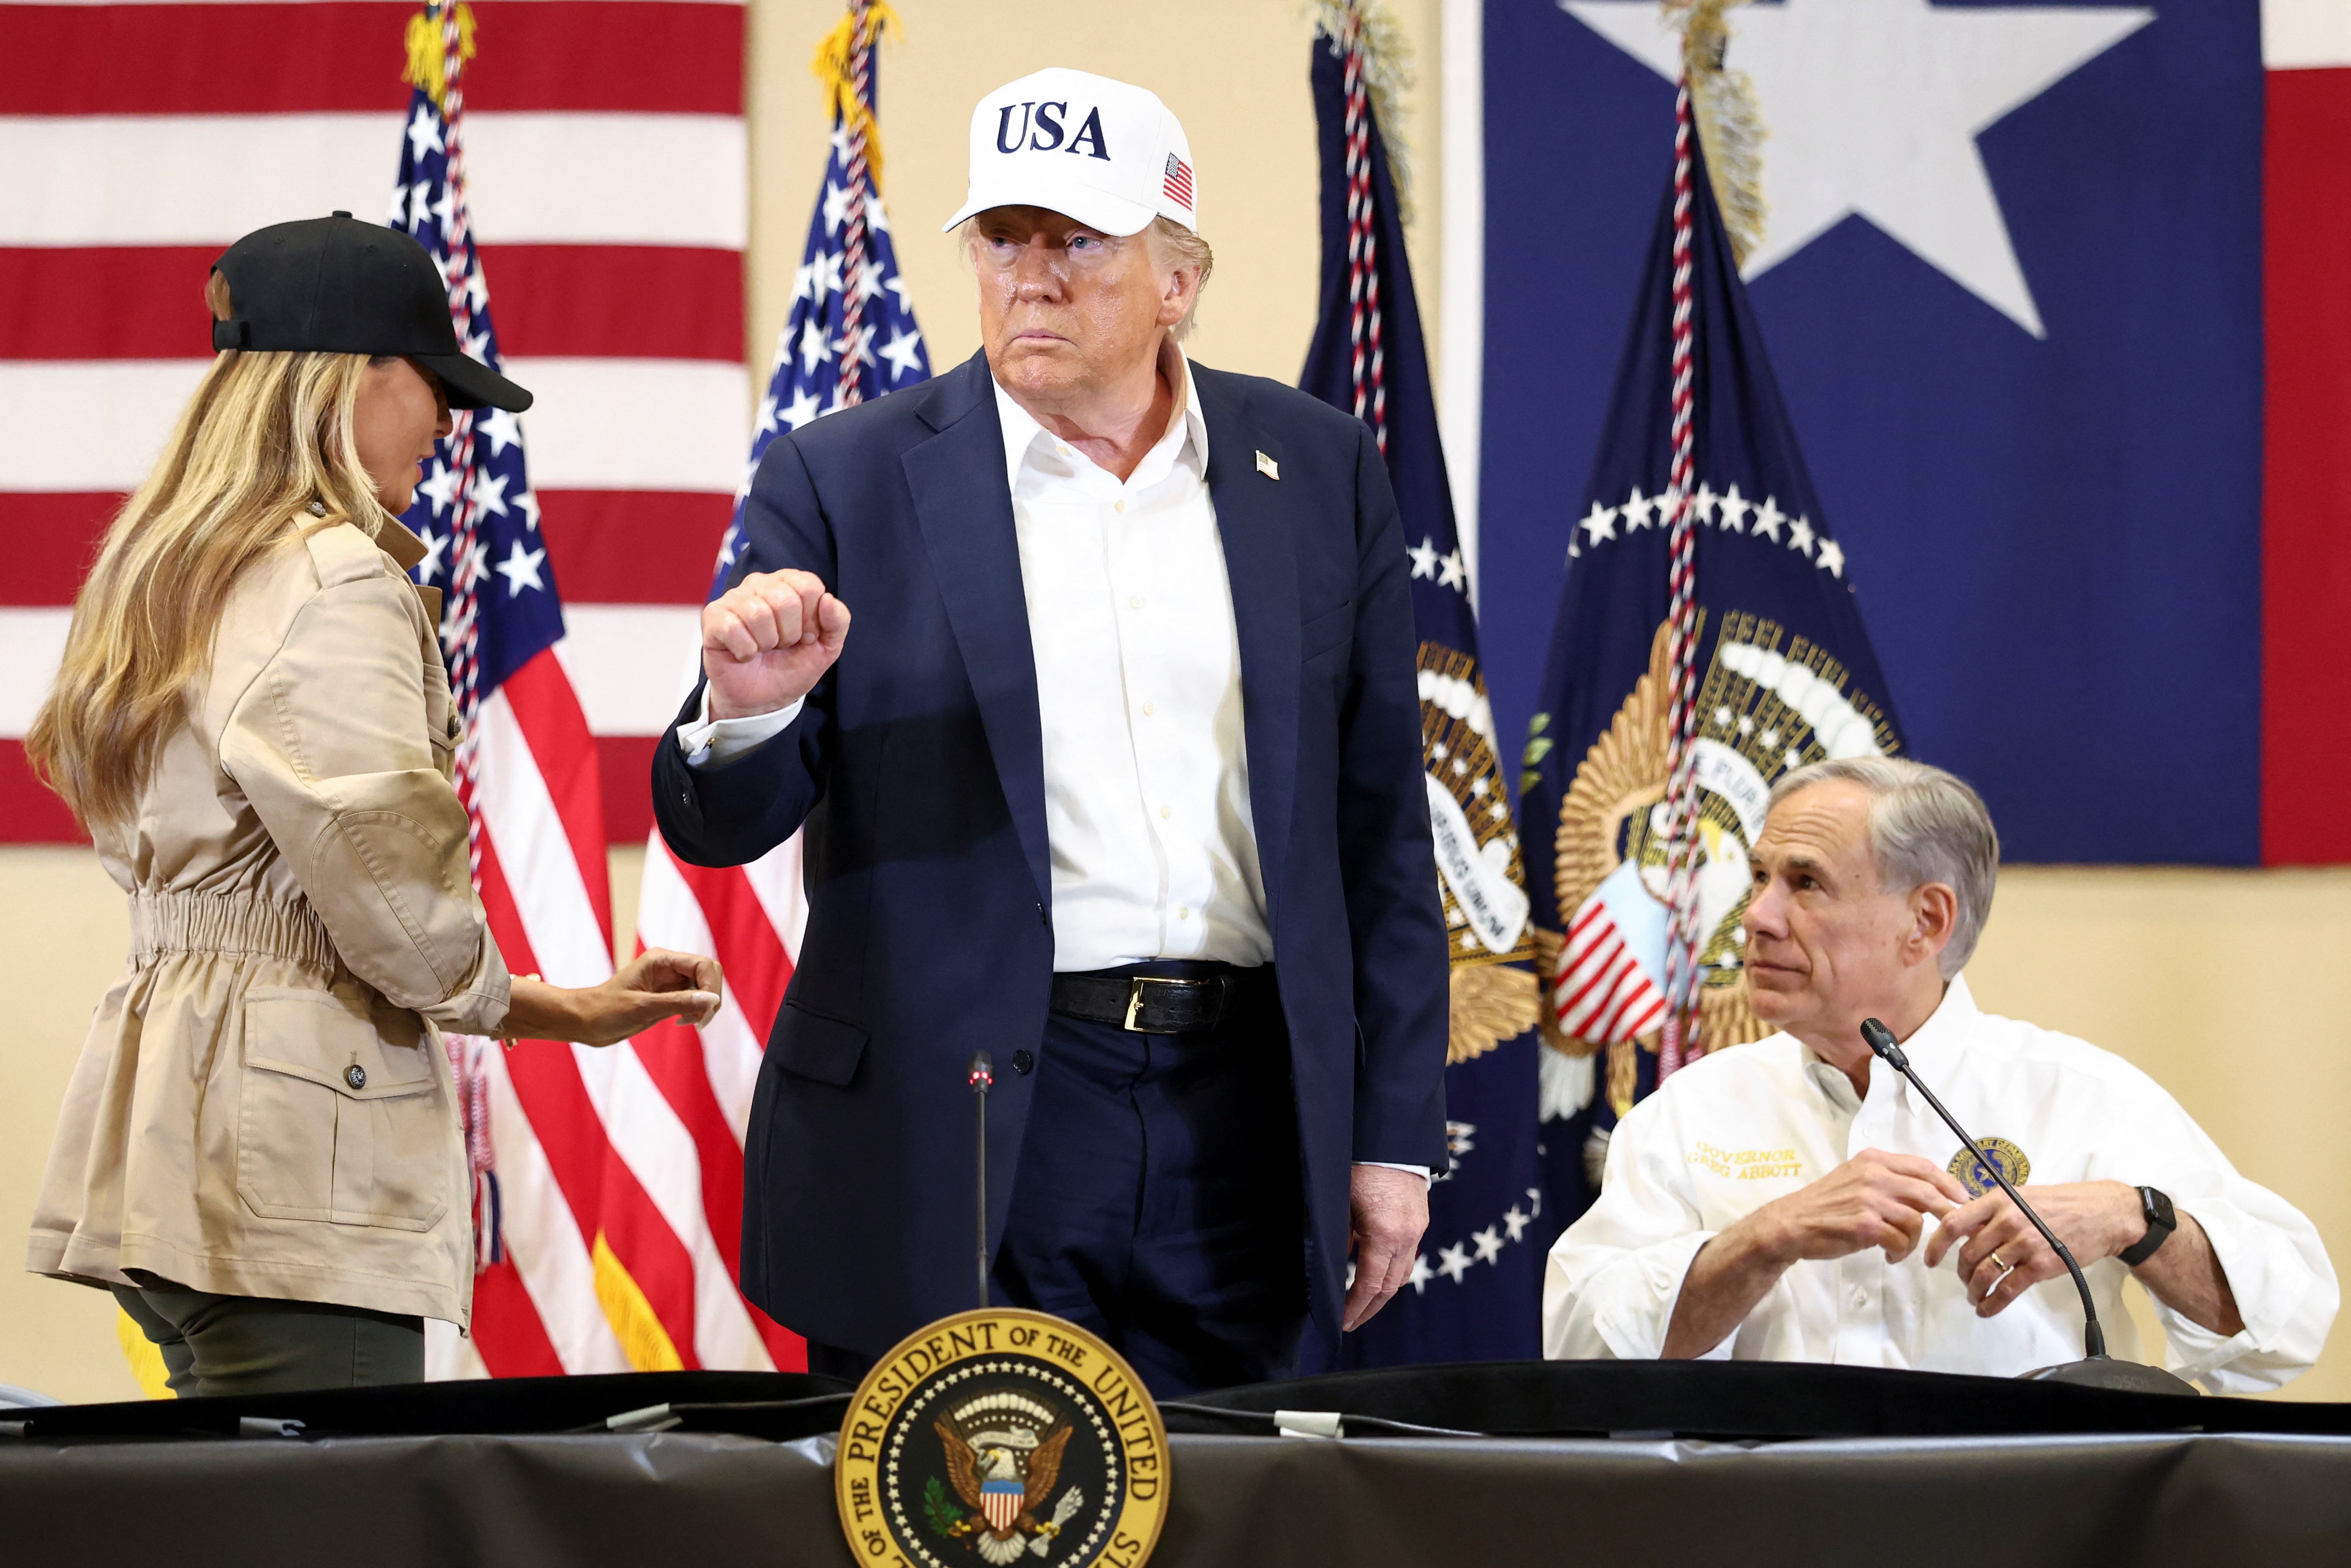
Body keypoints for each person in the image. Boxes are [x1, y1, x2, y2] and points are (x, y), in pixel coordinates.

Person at [655, 68, 1448, 1395]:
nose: (1030, 275)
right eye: (1002, 239)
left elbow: (1380, 828)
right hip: (952, 1117)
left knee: (1217, 1509)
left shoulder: (1315, 470)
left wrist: (1393, 1137)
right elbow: (721, 824)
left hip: (1240, 1120)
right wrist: (748, 710)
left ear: (1176, 278)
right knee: (961, 1516)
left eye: (1077, 240)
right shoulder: (841, 477)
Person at [23, 214, 724, 1397]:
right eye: (435, 382)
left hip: (171, 1124)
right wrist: (523, 1000)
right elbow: (397, 907)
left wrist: (565, 1007)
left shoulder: (161, 569)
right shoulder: (331, 575)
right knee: (334, 1515)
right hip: (296, 1157)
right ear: (353, 370)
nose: (450, 423)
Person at [1543, 758, 2337, 1392]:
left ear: (1925, 921)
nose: (1755, 915)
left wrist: (2138, 1219)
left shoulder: (2076, 1093)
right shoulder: (1688, 1113)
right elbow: (1579, 1354)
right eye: (1759, 877)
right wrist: (1764, 1238)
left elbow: (2288, 1325)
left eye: (1804, 882)